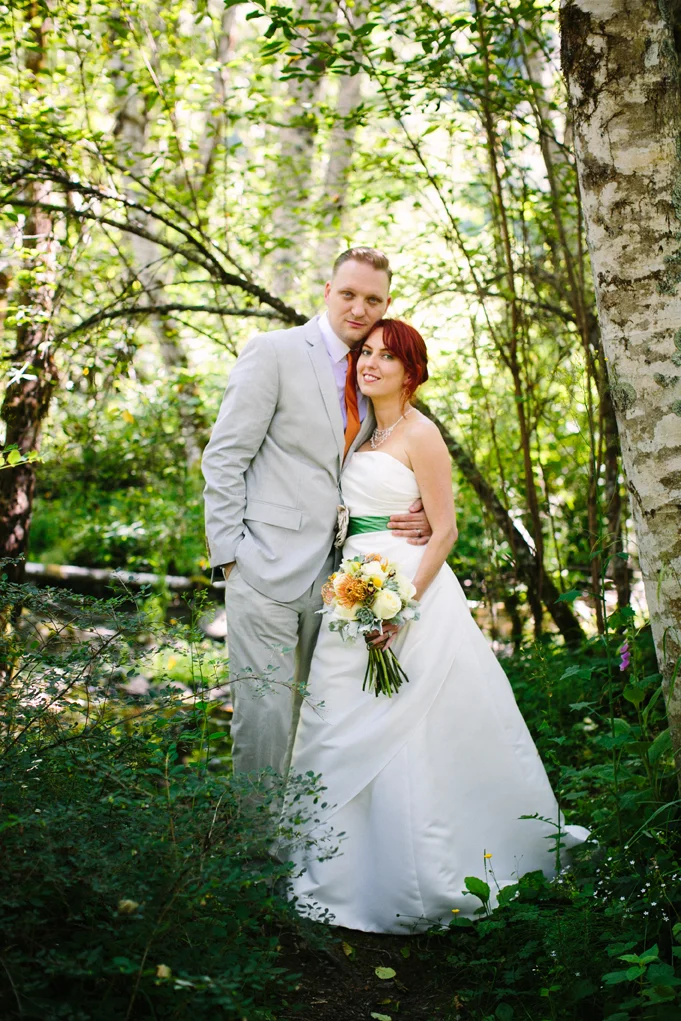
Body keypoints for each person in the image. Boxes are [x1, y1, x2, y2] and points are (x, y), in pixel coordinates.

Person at [286, 319, 589, 932]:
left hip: (406, 592)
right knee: (340, 721)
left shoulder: (422, 435)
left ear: (411, 370)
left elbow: (444, 531)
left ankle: (424, 872)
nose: (369, 363)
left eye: (385, 357)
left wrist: (402, 610)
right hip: (353, 587)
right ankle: (342, 870)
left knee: (412, 730)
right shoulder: (364, 431)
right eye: (364, 353)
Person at [201, 248, 432, 778]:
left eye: (372, 299)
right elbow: (225, 457)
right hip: (264, 569)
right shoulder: (273, 352)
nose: (359, 307)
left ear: (386, 303)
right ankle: (253, 855)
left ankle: (302, 850)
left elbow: (392, 453)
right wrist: (231, 559)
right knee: (265, 719)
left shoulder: (376, 373)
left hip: (340, 581)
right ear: (327, 292)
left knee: (318, 720)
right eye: (348, 294)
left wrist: (417, 507)